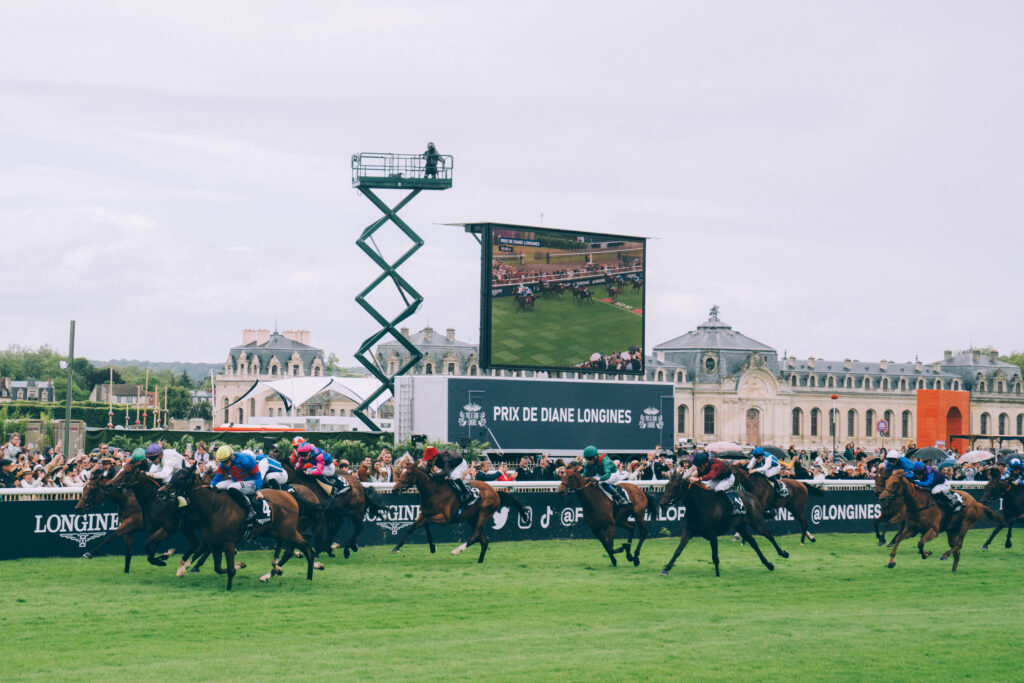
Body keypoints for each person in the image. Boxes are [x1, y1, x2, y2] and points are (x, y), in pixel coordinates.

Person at [209, 445, 264, 534]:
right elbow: (218, 477)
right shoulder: (224, 463)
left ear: (232, 457)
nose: (224, 464)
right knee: (218, 486)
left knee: (232, 487)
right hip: (236, 481)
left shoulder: (246, 460)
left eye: (225, 462)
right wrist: (211, 485)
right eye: (222, 462)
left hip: (251, 482)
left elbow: (258, 476)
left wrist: (258, 490)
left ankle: (250, 510)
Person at [691, 451, 743, 516]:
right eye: (697, 466)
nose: (698, 468)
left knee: (718, 489)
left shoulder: (715, 465)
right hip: (717, 478)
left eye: (699, 466)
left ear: (706, 464)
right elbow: (699, 477)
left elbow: (711, 476)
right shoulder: (703, 464)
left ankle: (732, 507)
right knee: (704, 485)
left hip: (728, 478)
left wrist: (699, 479)